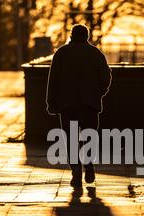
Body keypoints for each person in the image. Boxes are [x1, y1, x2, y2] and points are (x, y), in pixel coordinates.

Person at [46, 24, 112, 188]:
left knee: (71, 139)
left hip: (67, 105)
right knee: (90, 137)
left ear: (71, 35)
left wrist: (51, 102)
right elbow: (106, 77)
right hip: (89, 104)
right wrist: (99, 93)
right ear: (87, 36)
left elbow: (52, 80)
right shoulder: (95, 53)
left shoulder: (61, 53)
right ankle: (89, 166)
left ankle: (76, 171)